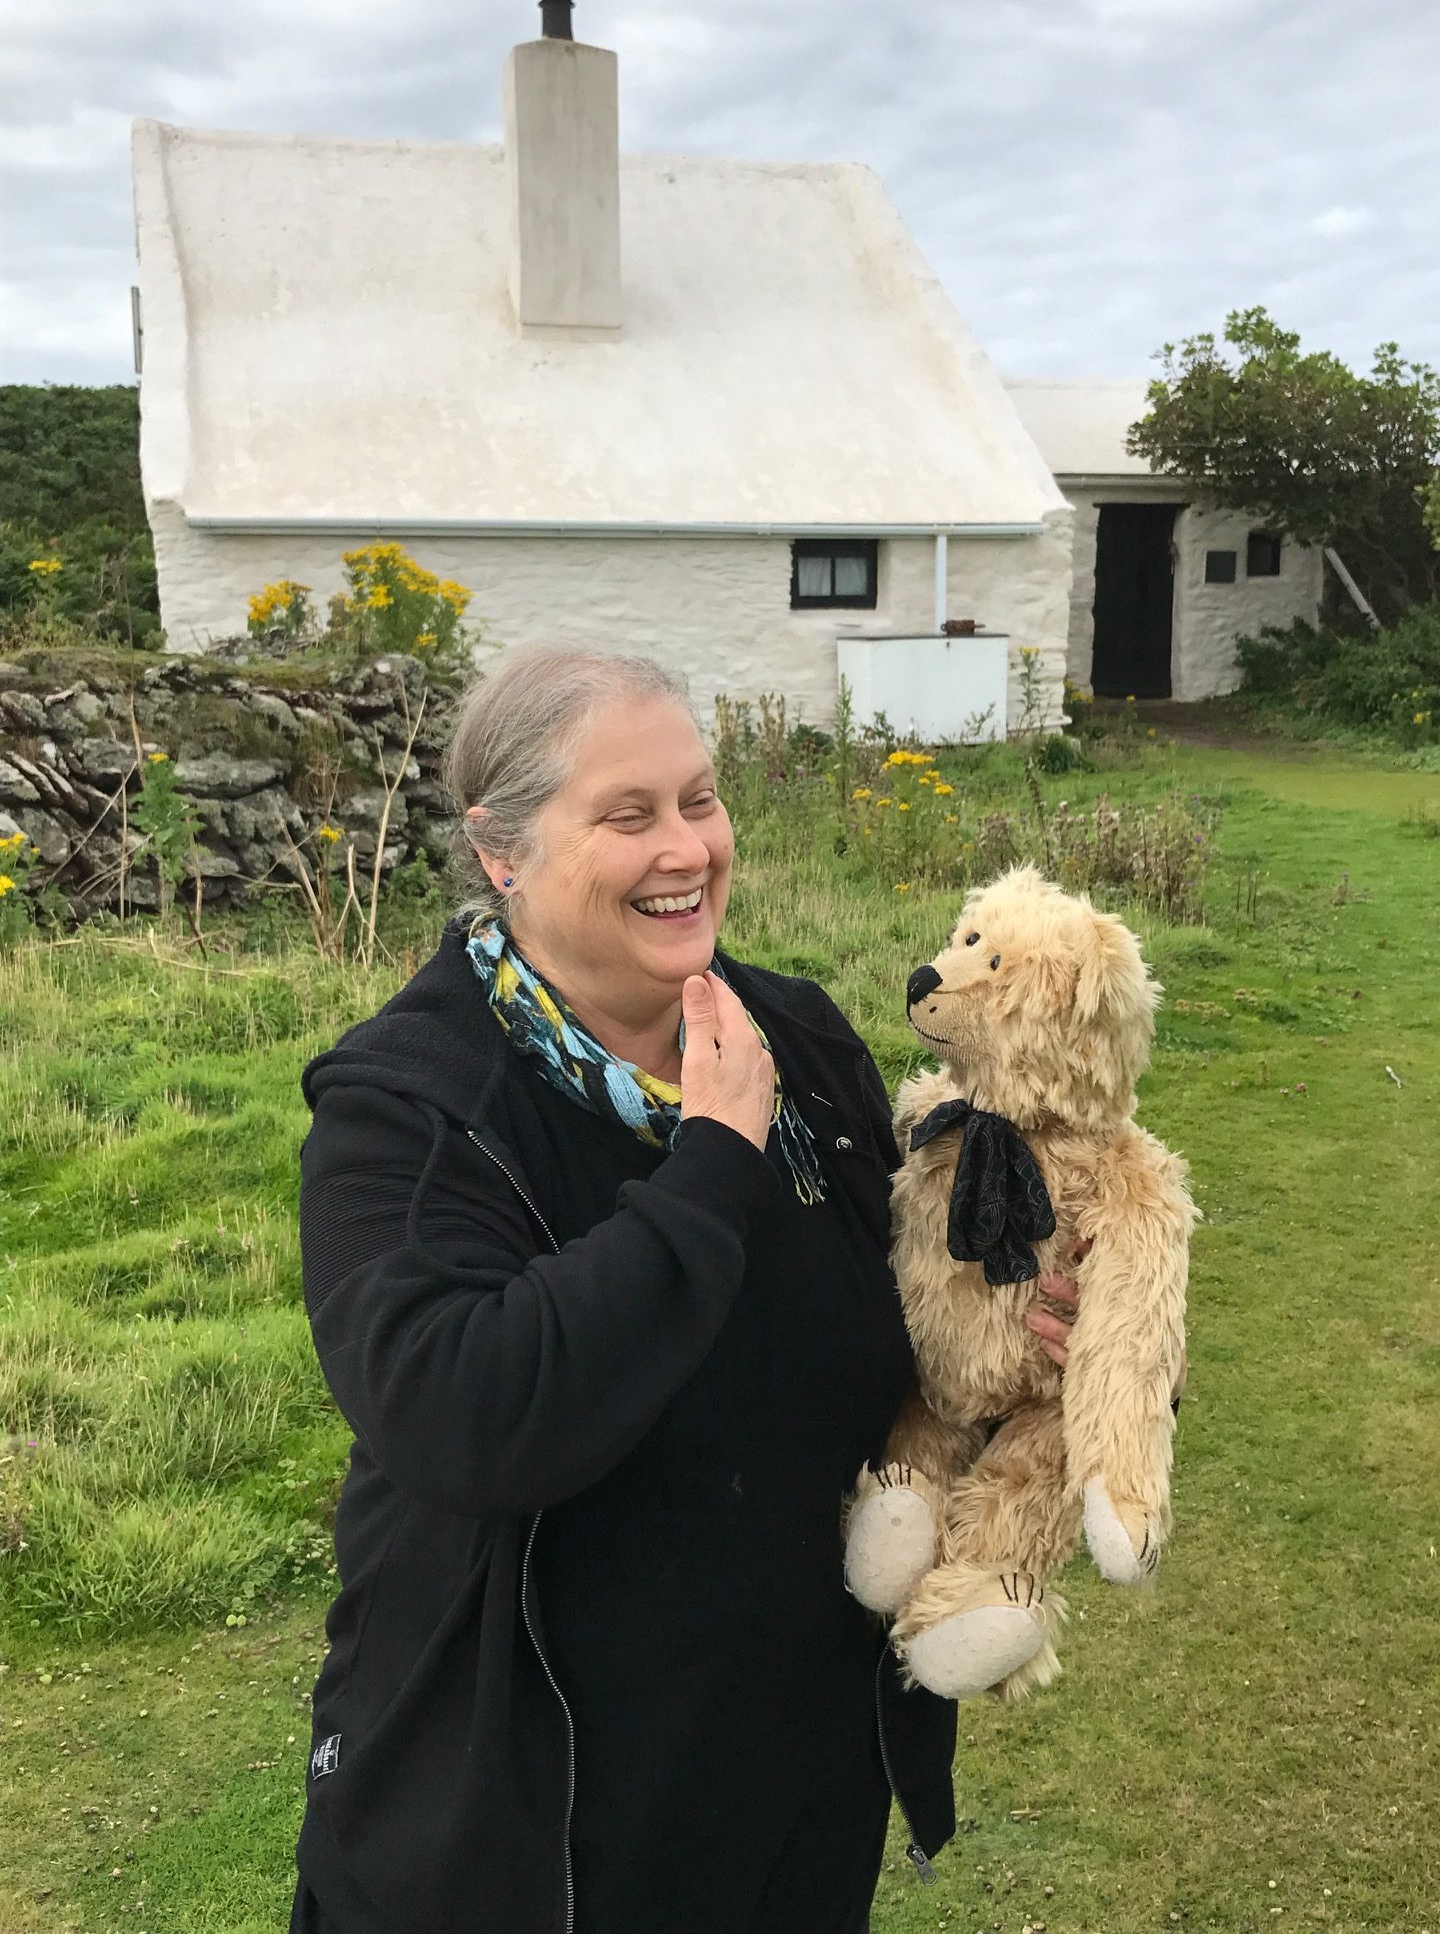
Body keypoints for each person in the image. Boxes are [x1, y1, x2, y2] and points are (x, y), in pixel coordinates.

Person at [290, 643, 976, 1934]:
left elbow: (894, 1338)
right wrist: (712, 1163)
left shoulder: (799, 1040)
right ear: (503, 854)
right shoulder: (414, 1108)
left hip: (791, 1802)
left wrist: (1018, 1338)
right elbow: (462, 1414)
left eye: (700, 800)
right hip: (518, 1838)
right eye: (629, 814)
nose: (687, 849)